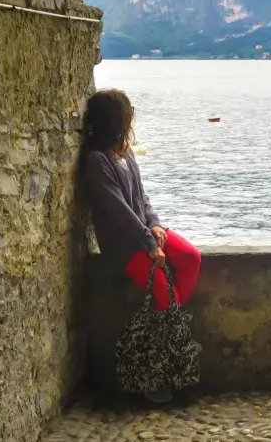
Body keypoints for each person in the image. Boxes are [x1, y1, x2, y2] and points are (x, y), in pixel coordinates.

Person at [79, 88, 201, 403]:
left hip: (145, 230)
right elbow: (117, 208)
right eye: (126, 112)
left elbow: (141, 197)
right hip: (124, 244)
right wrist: (149, 243)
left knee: (190, 257)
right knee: (163, 291)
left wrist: (156, 224)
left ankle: (173, 333)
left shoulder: (125, 152)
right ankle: (164, 371)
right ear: (114, 119)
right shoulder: (97, 161)